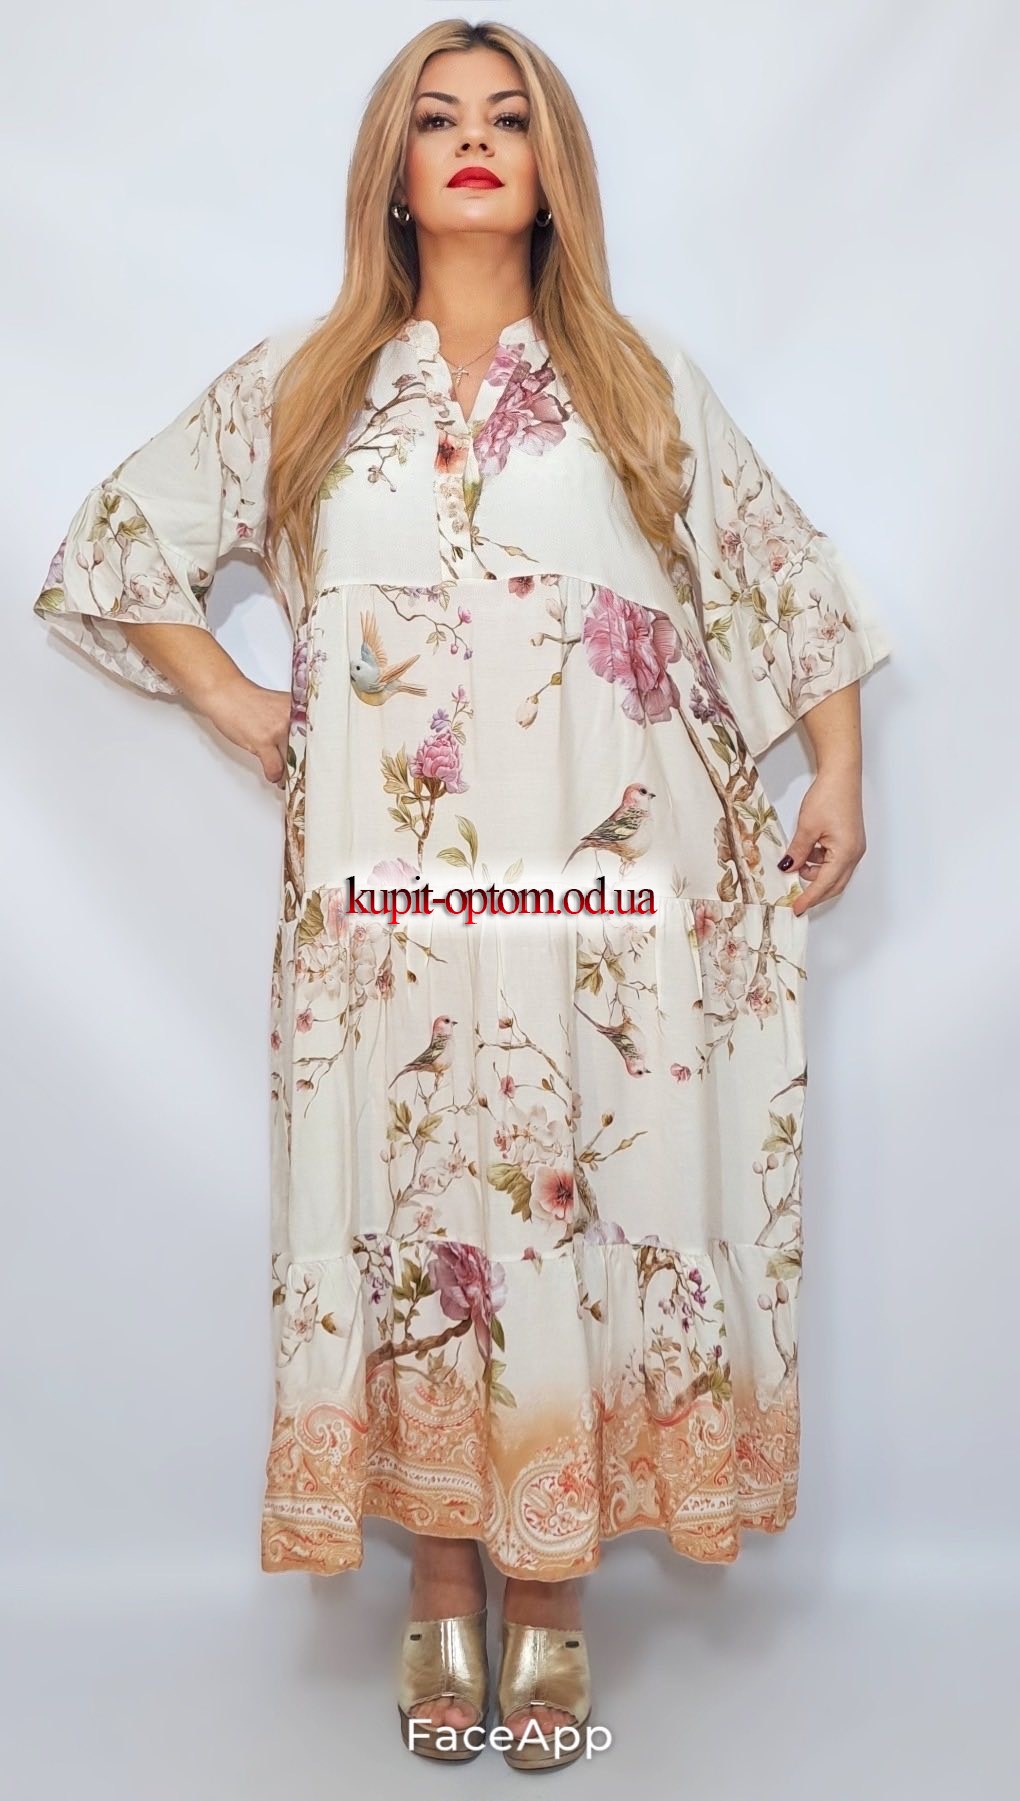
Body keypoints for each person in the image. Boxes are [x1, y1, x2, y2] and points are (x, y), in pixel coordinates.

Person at [32, 16, 893, 1775]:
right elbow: (116, 543)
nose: (477, 139)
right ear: (397, 171)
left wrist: (841, 768)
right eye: (440, 119)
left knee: (584, 1186)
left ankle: (553, 1587)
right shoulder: (314, 386)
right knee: (413, 1195)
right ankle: (438, 1569)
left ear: (553, 166)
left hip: (605, 916)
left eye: (510, 116)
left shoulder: (637, 383)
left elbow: (780, 575)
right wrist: (238, 699)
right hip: (391, 917)